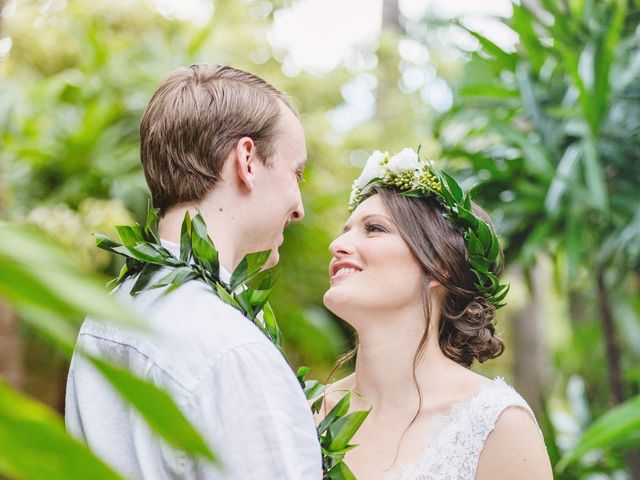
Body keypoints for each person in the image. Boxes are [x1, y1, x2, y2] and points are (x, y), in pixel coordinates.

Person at [65, 64, 322, 479]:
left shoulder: (107, 317)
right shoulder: (231, 351)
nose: (299, 208)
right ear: (247, 161)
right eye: (296, 173)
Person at [319, 148, 553, 480]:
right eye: (346, 229)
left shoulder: (496, 425)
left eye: (373, 229)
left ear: (438, 266)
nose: (337, 244)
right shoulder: (303, 411)